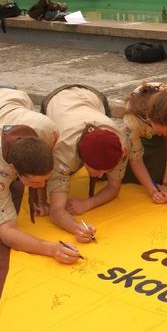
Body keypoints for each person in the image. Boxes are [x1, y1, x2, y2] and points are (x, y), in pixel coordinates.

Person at [0, 84, 81, 264]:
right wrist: (50, 248)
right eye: (36, 183)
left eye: (44, 181)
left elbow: (43, 161)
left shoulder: (48, 129)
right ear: (13, 169)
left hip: (7, 91)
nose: (43, 185)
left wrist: (41, 197)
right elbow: (7, 232)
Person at [42, 85, 128, 242]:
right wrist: (77, 229)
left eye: (106, 169)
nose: (102, 174)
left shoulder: (120, 143)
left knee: (104, 178)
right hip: (55, 100)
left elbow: (114, 187)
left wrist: (89, 203)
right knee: (50, 170)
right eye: (97, 169)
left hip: (92, 97)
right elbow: (56, 210)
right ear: (82, 159)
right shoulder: (63, 152)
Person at [122, 82, 167, 204]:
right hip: (144, 133)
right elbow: (136, 159)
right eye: (162, 130)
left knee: (162, 171)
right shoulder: (133, 118)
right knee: (124, 166)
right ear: (149, 119)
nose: (165, 134)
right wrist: (153, 191)